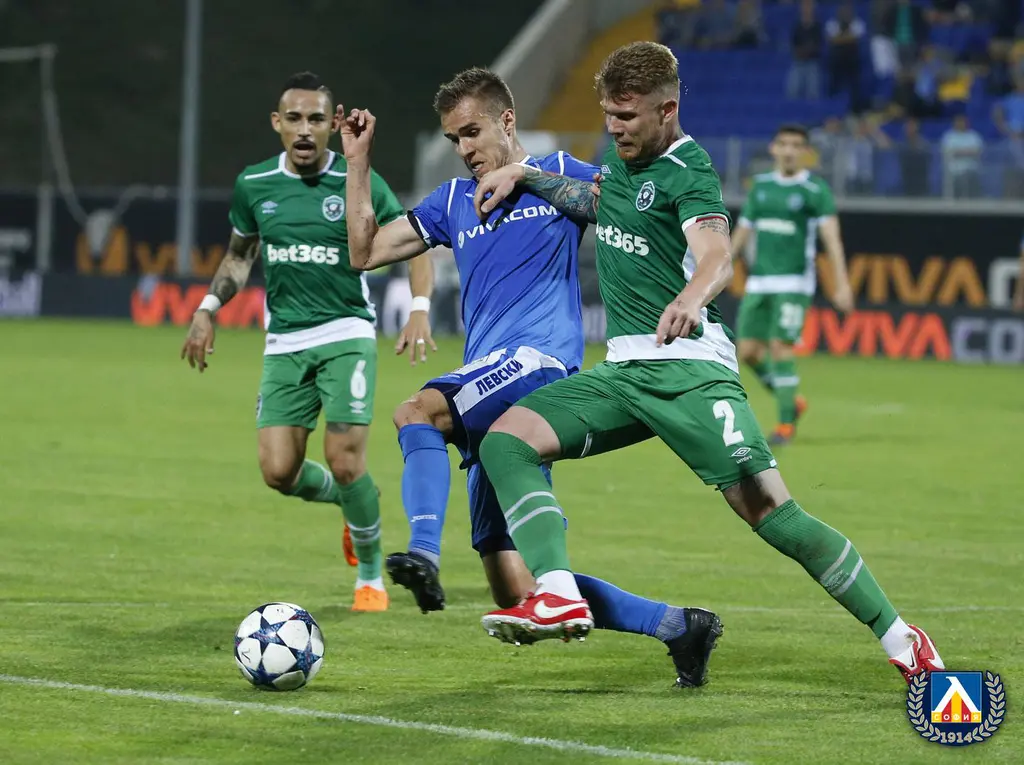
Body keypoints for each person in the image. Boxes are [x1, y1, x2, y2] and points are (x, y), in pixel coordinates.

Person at [472, 42, 943, 685]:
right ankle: (557, 593)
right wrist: (525, 175)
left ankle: (901, 637)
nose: (614, 127)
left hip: (690, 370)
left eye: (627, 116)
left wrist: (693, 296)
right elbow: (602, 204)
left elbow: (717, 254)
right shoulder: (622, 160)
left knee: (771, 513)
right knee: (506, 442)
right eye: (608, 114)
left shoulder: (689, 170)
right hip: (624, 372)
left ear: (666, 110)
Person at [340, 67, 722, 687]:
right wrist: (358, 163)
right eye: (453, 138)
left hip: (536, 364)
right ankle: (679, 626)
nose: (463, 149)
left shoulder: (561, 173)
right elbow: (365, 252)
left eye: (472, 132)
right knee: (516, 585)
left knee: (416, 412)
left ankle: (423, 552)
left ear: (507, 120)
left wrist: (681, 288)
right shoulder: (452, 201)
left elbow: (628, 208)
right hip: (487, 377)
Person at [180, 72, 433, 612]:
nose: (304, 129)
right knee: (278, 472)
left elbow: (414, 240)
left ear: (333, 123)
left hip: (346, 334)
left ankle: (370, 576)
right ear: (277, 123)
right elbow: (239, 256)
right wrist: (207, 309)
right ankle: (354, 501)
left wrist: (419, 308)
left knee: (344, 459)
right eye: (293, 118)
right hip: (284, 342)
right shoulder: (255, 184)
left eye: (316, 119)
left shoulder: (358, 179)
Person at [732, 124, 852, 444]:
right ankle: (792, 401)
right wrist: (721, 267)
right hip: (759, 281)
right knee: (748, 352)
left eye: (796, 145)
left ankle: (785, 424)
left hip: (794, 282)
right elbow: (743, 231)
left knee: (780, 347)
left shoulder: (815, 190)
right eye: (783, 144)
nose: (788, 151)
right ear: (773, 148)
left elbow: (832, 240)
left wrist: (842, 284)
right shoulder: (760, 187)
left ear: (805, 152)